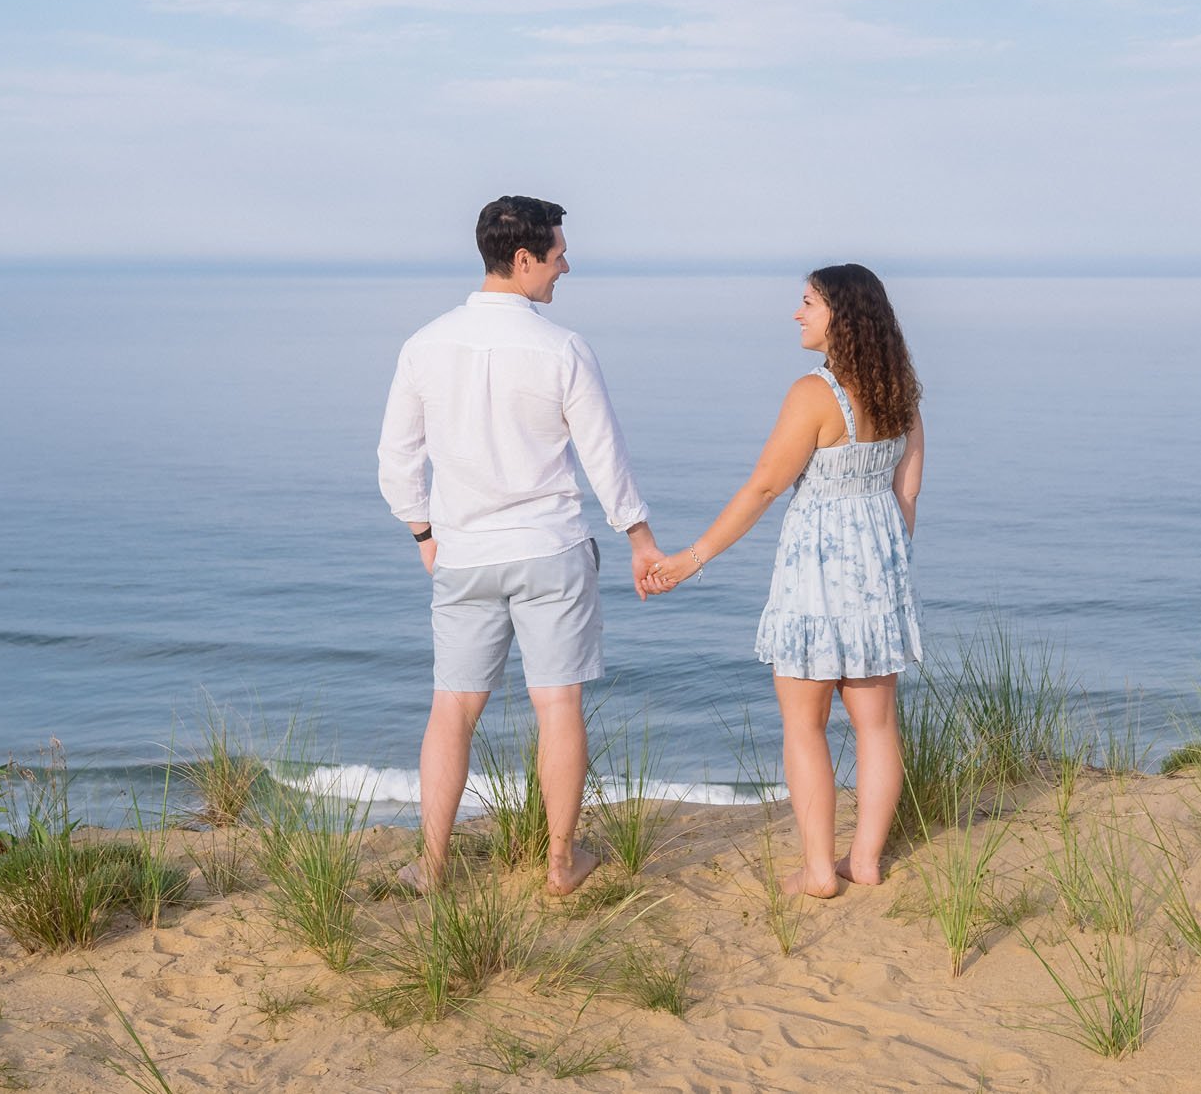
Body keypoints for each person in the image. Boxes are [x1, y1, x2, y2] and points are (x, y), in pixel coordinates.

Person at [377, 195, 665, 895]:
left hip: (465, 551)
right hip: (550, 548)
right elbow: (605, 457)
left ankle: (434, 865)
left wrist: (423, 530)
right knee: (557, 705)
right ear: (524, 259)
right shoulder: (562, 347)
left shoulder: (425, 343)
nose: (567, 264)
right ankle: (561, 865)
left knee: (452, 708)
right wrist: (641, 539)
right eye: (558, 253)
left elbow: (395, 459)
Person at [649, 263, 924, 897]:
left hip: (815, 575)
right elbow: (907, 488)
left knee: (804, 725)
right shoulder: (899, 389)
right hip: (879, 572)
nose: (797, 314)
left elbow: (767, 486)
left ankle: (820, 870)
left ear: (841, 316)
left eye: (807, 303)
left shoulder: (814, 393)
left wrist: (693, 558)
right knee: (877, 725)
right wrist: (886, 558)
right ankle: (868, 859)